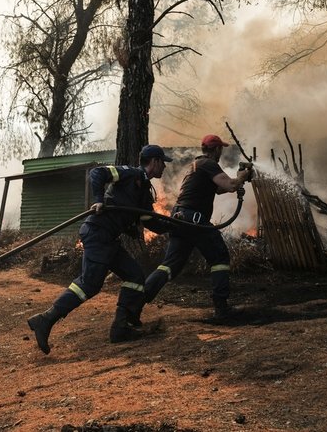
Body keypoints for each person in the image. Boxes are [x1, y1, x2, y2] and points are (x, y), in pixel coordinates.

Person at [27, 144, 174, 355]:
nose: (165, 168)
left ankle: (120, 328)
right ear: (155, 162)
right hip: (98, 233)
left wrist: (174, 225)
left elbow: (151, 222)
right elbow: (98, 173)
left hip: (109, 240)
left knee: (134, 275)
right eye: (163, 164)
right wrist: (98, 200)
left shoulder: (143, 192)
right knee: (89, 284)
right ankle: (45, 320)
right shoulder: (129, 173)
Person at [141, 134, 252, 322]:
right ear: (216, 149)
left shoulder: (196, 165)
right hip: (195, 220)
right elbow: (231, 185)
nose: (221, 153)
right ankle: (222, 309)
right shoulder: (208, 164)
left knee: (170, 266)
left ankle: (137, 299)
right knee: (220, 257)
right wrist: (242, 176)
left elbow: (218, 189)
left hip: (181, 219)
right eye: (221, 149)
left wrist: (236, 183)